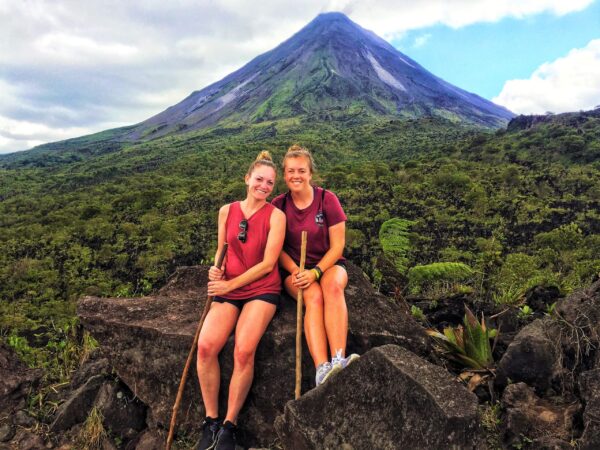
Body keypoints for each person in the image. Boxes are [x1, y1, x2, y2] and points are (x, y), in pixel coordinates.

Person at [195, 151, 286, 450]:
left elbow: (268, 264)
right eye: (259, 179)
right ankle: (211, 420)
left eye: (270, 182)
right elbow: (222, 249)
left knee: (244, 351)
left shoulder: (276, 216)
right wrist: (215, 268)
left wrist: (229, 283)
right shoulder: (226, 210)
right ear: (247, 179)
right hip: (228, 288)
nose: (264, 186)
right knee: (206, 346)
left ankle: (229, 426)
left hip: (261, 289)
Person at [272, 144, 359, 387]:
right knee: (313, 297)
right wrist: (296, 271)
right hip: (294, 268)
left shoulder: (326, 199)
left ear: (310, 173)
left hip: (328, 265)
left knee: (331, 288)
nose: (295, 176)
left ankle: (339, 359)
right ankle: (322, 368)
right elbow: (276, 249)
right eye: (290, 171)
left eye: (301, 170)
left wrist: (317, 271)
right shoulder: (279, 205)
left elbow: (337, 246)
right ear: (284, 174)